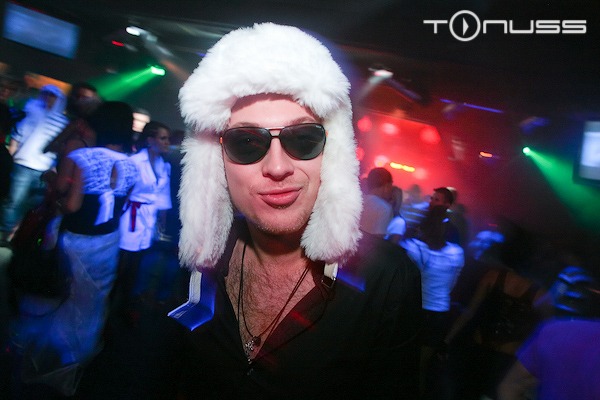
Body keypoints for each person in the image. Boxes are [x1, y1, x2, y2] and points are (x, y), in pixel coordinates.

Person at [171, 23, 422, 399]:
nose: (277, 167)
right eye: (246, 142)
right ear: (214, 161)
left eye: (303, 138)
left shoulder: (387, 278)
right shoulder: (201, 263)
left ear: (333, 154)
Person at [10, 101, 138, 396]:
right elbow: (121, 206)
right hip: (108, 242)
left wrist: (54, 193)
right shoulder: (133, 165)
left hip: (77, 241)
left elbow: (72, 205)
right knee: (92, 301)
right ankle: (75, 355)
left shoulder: (85, 157)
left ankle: (46, 353)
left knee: (60, 293)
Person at [400, 205, 464, 397]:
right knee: (423, 365)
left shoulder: (413, 248)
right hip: (438, 313)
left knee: (404, 360)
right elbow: (452, 284)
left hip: (414, 309)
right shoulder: (456, 253)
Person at [115, 121, 171, 319]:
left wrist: (161, 220)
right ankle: (111, 301)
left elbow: (163, 195)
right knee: (123, 260)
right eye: (163, 138)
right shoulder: (134, 162)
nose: (167, 142)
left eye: (167, 139)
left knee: (137, 263)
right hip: (131, 215)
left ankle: (125, 305)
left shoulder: (164, 166)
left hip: (149, 217)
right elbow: (121, 191)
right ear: (150, 140)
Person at [0, 84, 68, 243]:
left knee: (31, 203)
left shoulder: (63, 122)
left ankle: (13, 233)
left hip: (43, 170)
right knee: (14, 201)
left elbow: (60, 150)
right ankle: (5, 235)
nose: (48, 98)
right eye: (46, 94)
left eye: (52, 96)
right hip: (22, 164)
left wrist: (53, 170)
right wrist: (10, 159)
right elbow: (16, 137)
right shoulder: (32, 112)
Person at [359, 167, 394, 236]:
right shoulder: (384, 208)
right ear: (386, 186)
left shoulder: (357, 200)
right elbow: (378, 238)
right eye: (390, 186)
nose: (391, 190)